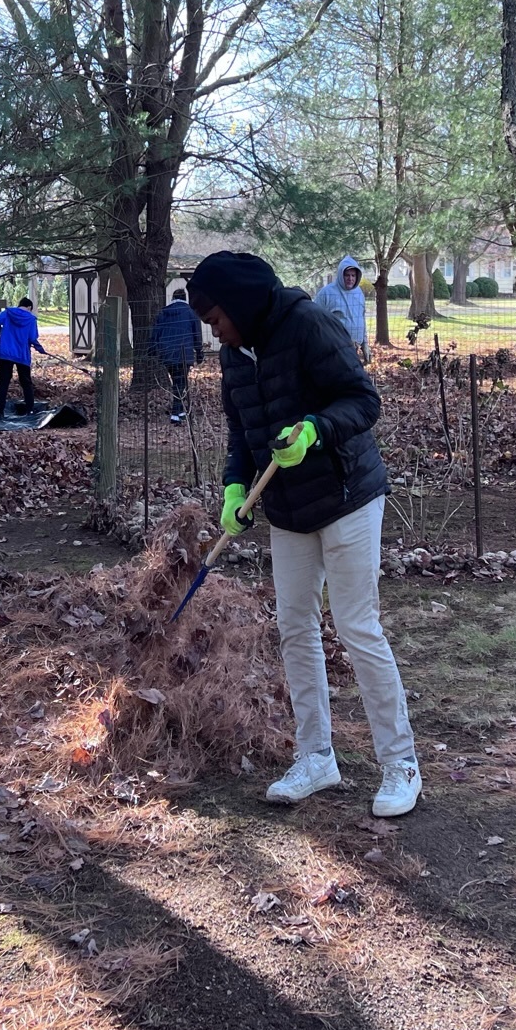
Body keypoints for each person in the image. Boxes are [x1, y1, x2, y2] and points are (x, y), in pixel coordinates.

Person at [187, 250, 420, 819]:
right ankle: (316, 756)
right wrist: (235, 491)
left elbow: (364, 402)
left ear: (240, 302)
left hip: (347, 496)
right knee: (295, 628)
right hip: (288, 510)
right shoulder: (233, 355)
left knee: (356, 626)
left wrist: (316, 429)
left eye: (216, 318)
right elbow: (242, 433)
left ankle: (401, 763)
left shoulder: (311, 323)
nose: (214, 330)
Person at [149, 288, 205, 422]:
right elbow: (197, 334)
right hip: (184, 353)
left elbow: (155, 333)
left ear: (173, 298)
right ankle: (176, 413)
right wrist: (199, 353)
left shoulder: (163, 313)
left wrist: (152, 351)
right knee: (180, 383)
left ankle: (180, 412)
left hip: (167, 353)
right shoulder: (191, 312)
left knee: (178, 381)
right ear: (185, 298)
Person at [0, 295, 47, 418]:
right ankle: (30, 410)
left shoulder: (8, 312)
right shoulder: (31, 319)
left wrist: (0, 331)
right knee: (26, 382)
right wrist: (39, 348)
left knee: (3, 382)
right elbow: (32, 338)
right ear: (29, 307)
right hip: (22, 353)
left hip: (6, 352)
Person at [315, 255, 369, 361]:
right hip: (335, 349)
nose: (350, 279)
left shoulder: (359, 293)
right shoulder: (326, 293)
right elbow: (315, 321)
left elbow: (362, 319)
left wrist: (365, 344)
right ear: (340, 275)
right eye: (347, 275)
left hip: (355, 349)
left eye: (353, 275)